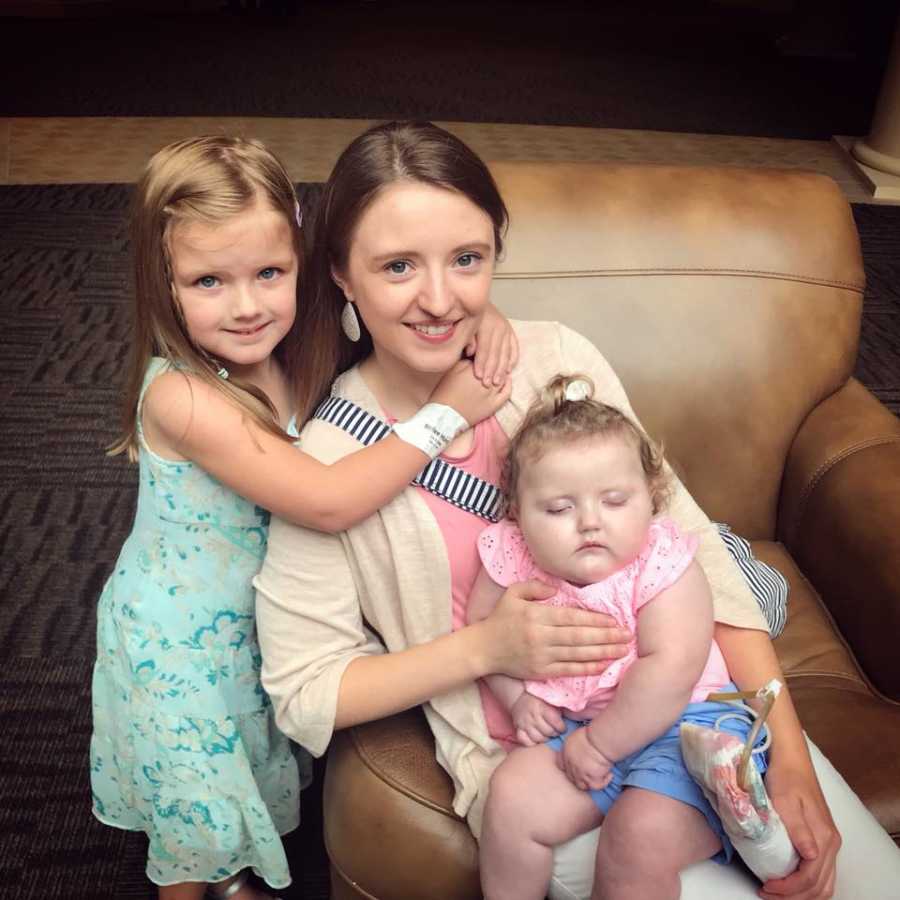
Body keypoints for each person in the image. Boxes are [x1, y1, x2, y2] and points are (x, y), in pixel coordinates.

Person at [253, 121, 865, 900]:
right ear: (340, 273)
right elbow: (307, 692)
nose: (440, 300)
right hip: (540, 769)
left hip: (700, 721)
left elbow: (692, 552)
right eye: (399, 266)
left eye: (467, 260)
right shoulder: (327, 468)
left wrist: (792, 758)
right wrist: (488, 649)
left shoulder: (555, 362)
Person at [90, 135, 518, 900]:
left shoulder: (297, 345)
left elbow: (402, 302)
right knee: (197, 826)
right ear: (162, 284)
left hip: (258, 622)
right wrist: (443, 416)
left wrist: (484, 320)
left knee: (245, 774)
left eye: (269, 273)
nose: (248, 304)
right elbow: (327, 502)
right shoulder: (182, 396)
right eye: (209, 280)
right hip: (179, 650)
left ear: (299, 265)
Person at [468, 374, 772, 900]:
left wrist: (602, 743)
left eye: (614, 501)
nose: (589, 522)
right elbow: (484, 635)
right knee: (513, 797)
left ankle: (745, 807)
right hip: (579, 728)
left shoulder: (662, 563)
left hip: (687, 729)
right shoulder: (511, 555)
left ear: (651, 499)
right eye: (558, 509)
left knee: (637, 836)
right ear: (517, 512)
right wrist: (516, 700)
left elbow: (670, 668)